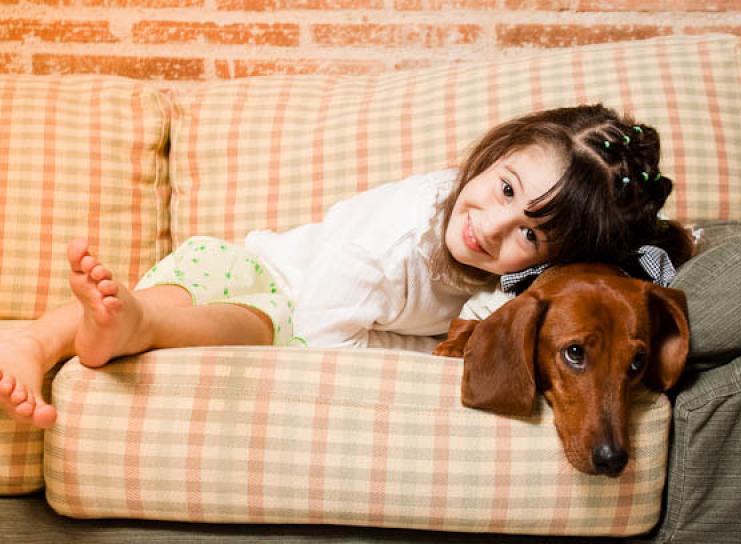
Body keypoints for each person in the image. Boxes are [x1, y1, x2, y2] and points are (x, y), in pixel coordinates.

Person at [0, 104, 693, 429]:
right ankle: (51, 335)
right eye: (505, 190)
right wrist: (427, 347)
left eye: (530, 237)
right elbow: (322, 340)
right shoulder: (389, 244)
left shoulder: (502, 270)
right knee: (236, 317)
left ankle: (124, 322)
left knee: (201, 313)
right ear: (491, 155)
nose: (494, 227)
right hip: (264, 277)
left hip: (285, 297)